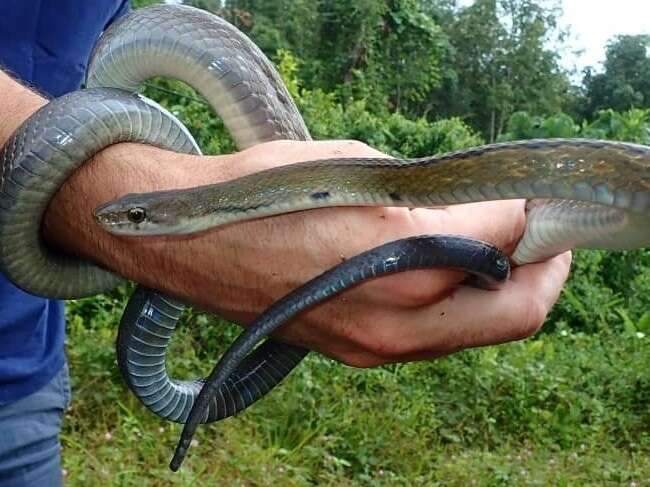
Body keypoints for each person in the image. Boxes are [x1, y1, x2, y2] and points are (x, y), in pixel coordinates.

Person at [0, 1, 571, 485]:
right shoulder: (174, 213)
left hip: (25, 378)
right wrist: (100, 195)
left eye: (138, 220)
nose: (123, 224)